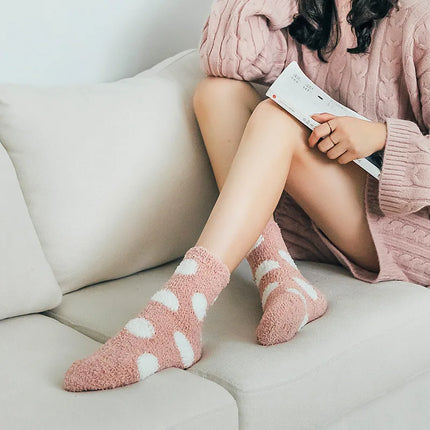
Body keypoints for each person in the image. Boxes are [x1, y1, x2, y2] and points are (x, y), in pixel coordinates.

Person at [63, 0, 430, 392]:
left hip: (402, 226)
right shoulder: (307, 15)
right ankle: (279, 273)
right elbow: (225, 59)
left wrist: (381, 136)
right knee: (216, 93)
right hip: (319, 219)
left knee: (274, 118)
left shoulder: (417, 19)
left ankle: (179, 311)